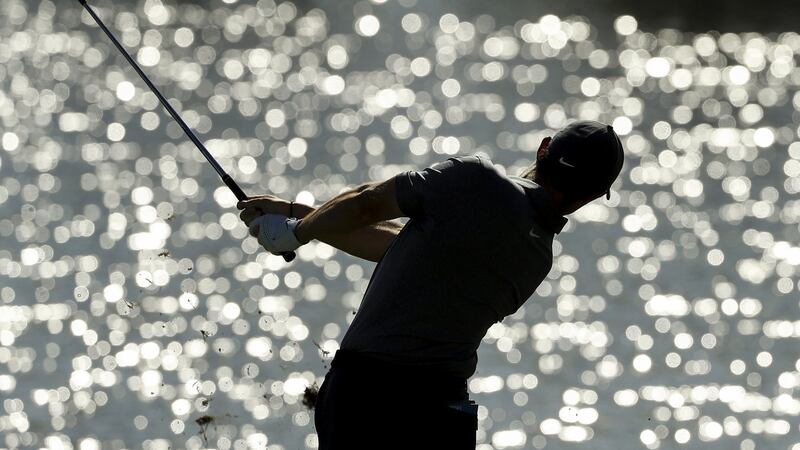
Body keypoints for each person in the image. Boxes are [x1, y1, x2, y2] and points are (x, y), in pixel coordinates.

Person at [238, 120, 625, 449]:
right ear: (592, 196)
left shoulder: (474, 178)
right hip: (442, 416)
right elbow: (403, 249)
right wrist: (298, 215)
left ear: (543, 149)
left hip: (367, 398)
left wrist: (296, 233)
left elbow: (368, 202)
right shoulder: (538, 258)